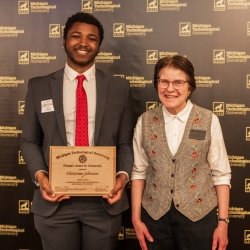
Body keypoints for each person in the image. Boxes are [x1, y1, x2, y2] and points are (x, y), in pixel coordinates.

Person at [20, 12, 134, 250]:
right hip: (54, 201)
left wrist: (121, 179)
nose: (84, 43)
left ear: (99, 45)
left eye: (92, 38)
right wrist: (42, 179)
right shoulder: (39, 86)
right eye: (76, 36)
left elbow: (125, 143)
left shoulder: (119, 88)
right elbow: (29, 141)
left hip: (104, 202)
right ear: (64, 41)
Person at [131, 55, 231, 250]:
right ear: (156, 84)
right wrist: (136, 219)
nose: (170, 89)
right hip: (154, 220)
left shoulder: (208, 120)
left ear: (190, 86)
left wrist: (223, 222)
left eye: (178, 82)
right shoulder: (145, 121)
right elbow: (138, 172)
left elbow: (221, 174)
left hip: (199, 219)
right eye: (164, 81)